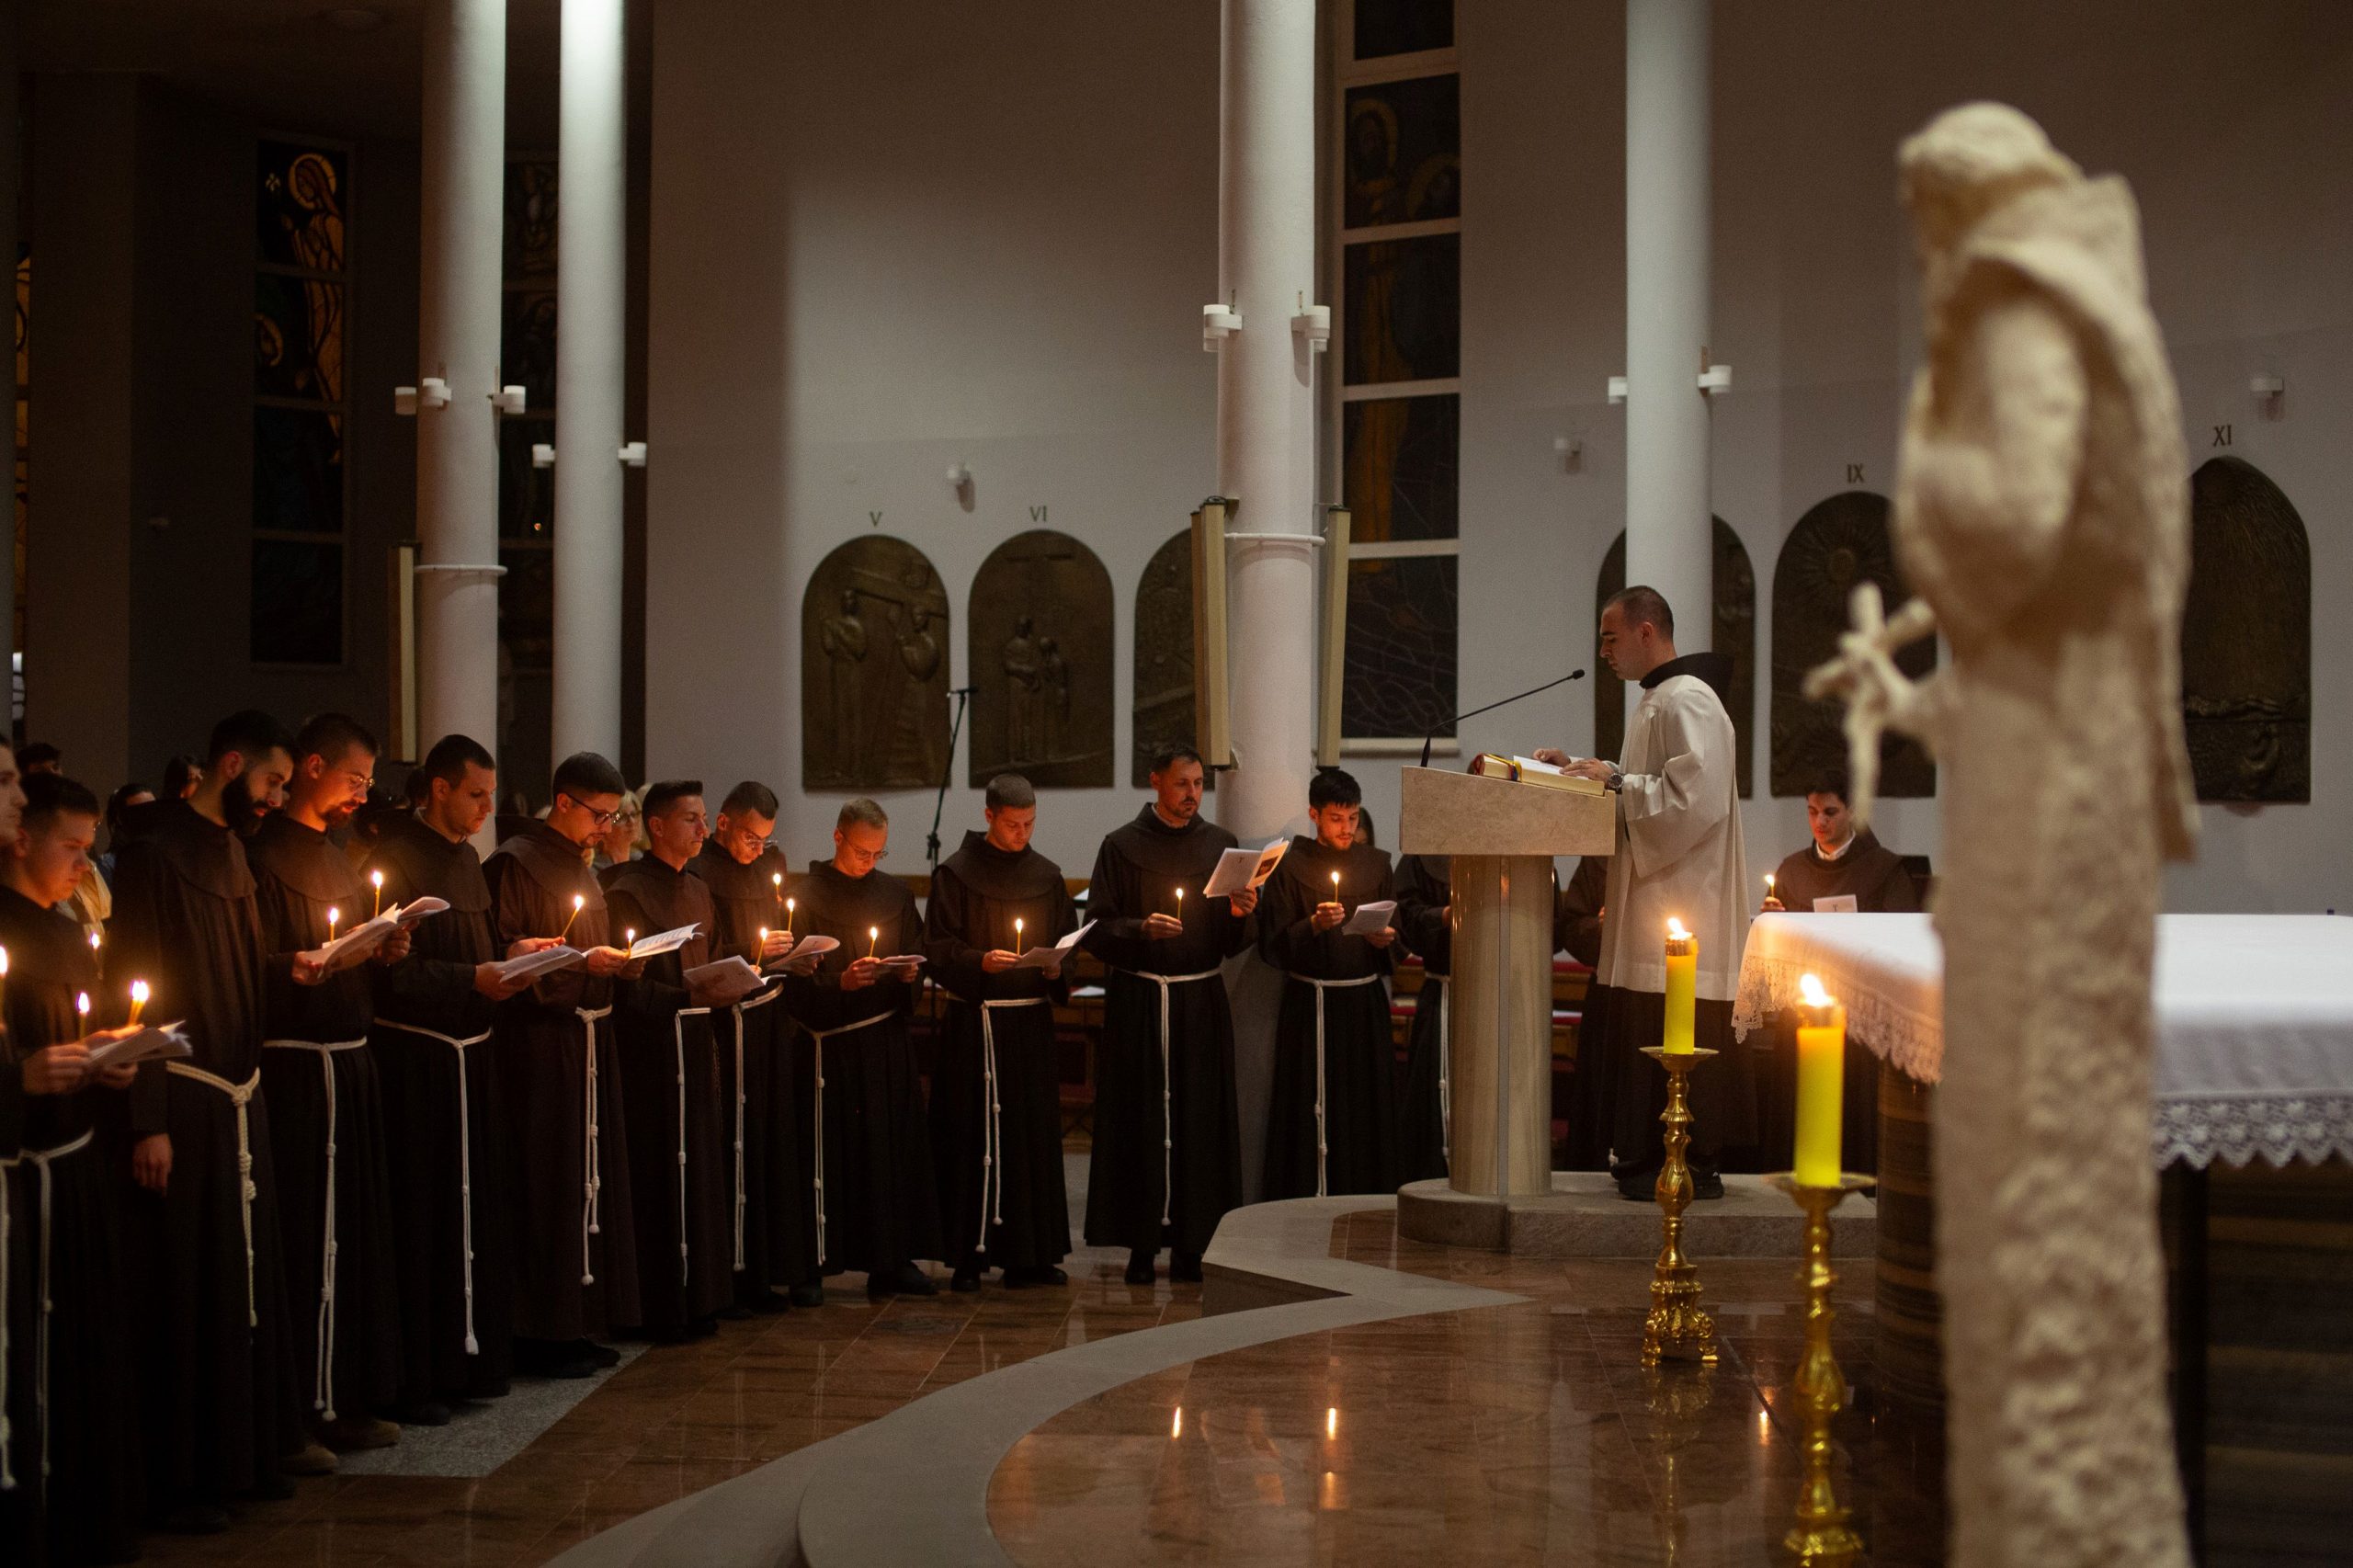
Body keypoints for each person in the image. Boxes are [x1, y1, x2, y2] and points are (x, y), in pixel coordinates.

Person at [107, 710, 314, 1528]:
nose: (276, 799)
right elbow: (136, 987)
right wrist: (147, 1115)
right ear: (231, 765)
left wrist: (296, 966)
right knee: (189, 1289)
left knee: (245, 1278)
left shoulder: (234, 852)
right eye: (271, 782)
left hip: (239, 1093)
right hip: (184, 1100)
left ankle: (247, 1453)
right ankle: (186, 1477)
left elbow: (240, 967)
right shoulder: (153, 854)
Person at [1537, 585, 1754, 1200]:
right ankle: (1645, 1156)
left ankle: (1683, 1160)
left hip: (1682, 905)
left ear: (1647, 633)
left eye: (1611, 637)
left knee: (1673, 1029)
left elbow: (1693, 801)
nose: (1603, 651)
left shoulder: (1690, 700)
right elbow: (1651, 784)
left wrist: (1615, 784)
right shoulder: (1661, 699)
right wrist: (1593, 773)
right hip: (1655, 905)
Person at [369, 734, 543, 1417]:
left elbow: (479, 949)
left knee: (477, 1212)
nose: (486, 808)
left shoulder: (468, 860)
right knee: (427, 1220)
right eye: (475, 794)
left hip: (474, 1057)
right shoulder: (392, 859)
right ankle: (422, 1376)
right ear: (438, 789)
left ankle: (475, 1365)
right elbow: (394, 974)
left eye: (490, 795)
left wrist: (516, 952)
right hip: (420, 1067)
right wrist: (473, 977)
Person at [247, 714, 408, 1455]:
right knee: (307, 1236)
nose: (362, 796)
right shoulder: (260, 854)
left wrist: (382, 947)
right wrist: (300, 964)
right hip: (297, 1072)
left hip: (350, 1061)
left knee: (352, 1236)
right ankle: (300, 1409)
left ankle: (344, 1393)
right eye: (354, 779)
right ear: (312, 767)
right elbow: (249, 964)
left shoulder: (339, 856)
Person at [0, 769, 142, 1565]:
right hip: (25, 1175)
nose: (86, 866)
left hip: (80, 1163)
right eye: (73, 848)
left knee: (86, 1347)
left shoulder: (65, 928)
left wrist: (111, 1062)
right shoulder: (7, 927)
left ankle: (88, 1513)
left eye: (92, 849)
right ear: (23, 839)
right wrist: (21, 1074)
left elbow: (83, 1026)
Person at [483, 752, 643, 1379]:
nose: (607, 828)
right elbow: (502, 954)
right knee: (546, 1183)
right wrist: (580, 963)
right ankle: (538, 1331)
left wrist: (618, 964)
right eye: (600, 815)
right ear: (565, 803)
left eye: (613, 817)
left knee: (586, 1179)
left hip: (588, 1039)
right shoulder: (514, 863)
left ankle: (578, 1320)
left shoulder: (582, 865)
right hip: (539, 1050)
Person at [1080, 744, 1258, 1285]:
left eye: (1199, 784)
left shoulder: (1221, 845)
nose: (1192, 795)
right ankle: (1140, 1246)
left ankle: (1191, 1245)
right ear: (1155, 782)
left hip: (1199, 1002)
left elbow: (1230, 942)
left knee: (1198, 1123)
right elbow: (1096, 928)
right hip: (1140, 1002)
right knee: (1140, 1119)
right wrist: (1140, 929)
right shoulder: (1120, 845)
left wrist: (1239, 912)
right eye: (1182, 784)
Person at [779, 800, 941, 1300]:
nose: (869, 861)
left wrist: (909, 975)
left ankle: (890, 1261)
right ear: (838, 838)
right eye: (861, 851)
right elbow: (789, 980)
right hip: (828, 1049)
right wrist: (840, 984)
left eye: (878, 853)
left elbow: (917, 953)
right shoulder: (802, 897)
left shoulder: (895, 894)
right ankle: (812, 1265)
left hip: (885, 1043)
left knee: (888, 1154)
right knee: (826, 1156)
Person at [924, 774, 1074, 1292]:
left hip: (1029, 1025)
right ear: (989, 816)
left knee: (1029, 1138)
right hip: (976, 1024)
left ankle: (1030, 1257)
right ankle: (968, 1257)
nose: (1022, 834)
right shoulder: (955, 874)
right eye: (1013, 824)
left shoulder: (1047, 876)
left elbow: (1067, 942)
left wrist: (1056, 967)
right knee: (971, 1136)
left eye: (1030, 823)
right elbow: (936, 948)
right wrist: (978, 961)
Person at [601, 781, 736, 1340]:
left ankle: (699, 1296)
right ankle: (659, 1305)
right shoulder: (626, 892)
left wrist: (733, 980)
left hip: (696, 1043)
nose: (704, 829)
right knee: (657, 1169)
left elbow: (716, 956)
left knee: (699, 1164)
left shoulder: (700, 889)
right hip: (649, 1054)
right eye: (691, 820)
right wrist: (682, 997)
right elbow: (622, 984)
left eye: (704, 818)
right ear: (656, 827)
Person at [689, 781, 820, 1312]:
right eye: (749, 837)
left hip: (769, 1021)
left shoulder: (770, 865)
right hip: (727, 1024)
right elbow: (709, 951)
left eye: (765, 840)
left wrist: (794, 957)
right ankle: (731, 1276)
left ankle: (766, 1269)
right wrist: (756, 951)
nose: (757, 849)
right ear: (722, 824)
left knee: (769, 1140)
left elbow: (778, 933)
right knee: (731, 1141)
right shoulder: (699, 871)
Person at [1257, 767, 1398, 1199]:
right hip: (1310, 1006)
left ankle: (1365, 1196)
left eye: (1353, 818)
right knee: (1310, 1104)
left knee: (1363, 1105)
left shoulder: (1376, 864)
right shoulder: (1289, 866)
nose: (1347, 829)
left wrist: (1385, 939)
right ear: (1314, 815)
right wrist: (1313, 926)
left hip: (1363, 1006)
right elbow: (1271, 943)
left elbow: (1396, 939)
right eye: (1336, 819)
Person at [1761, 767, 1922, 915]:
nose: (1819, 822)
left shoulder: (1884, 869)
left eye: (1830, 812)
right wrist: (1769, 919)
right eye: (1813, 812)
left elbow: (1903, 929)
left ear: (1852, 811)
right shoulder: (1790, 871)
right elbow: (1773, 931)